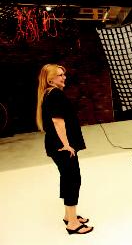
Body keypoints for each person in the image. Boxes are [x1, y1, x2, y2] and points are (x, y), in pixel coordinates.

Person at [36, 64, 93, 235]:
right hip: (61, 146)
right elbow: (58, 122)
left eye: (64, 74)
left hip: (56, 145)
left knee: (68, 177)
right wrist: (67, 144)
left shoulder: (49, 94)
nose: (64, 77)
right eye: (60, 75)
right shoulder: (55, 94)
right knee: (73, 179)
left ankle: (69, 216)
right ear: (50, 79)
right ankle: (73, 224)